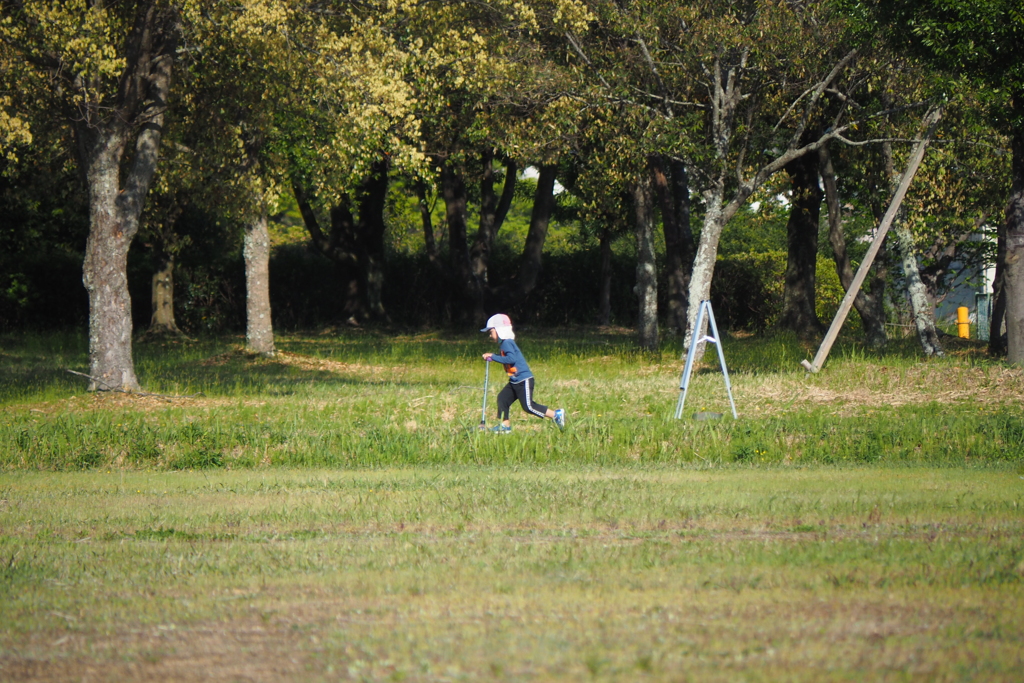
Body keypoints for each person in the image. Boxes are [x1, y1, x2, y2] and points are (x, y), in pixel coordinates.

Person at [480, 313, 566, 433]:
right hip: (515, 380)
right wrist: (494, 356)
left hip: (523, 380)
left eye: (491, 332)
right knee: (503, 398)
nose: (490, 335)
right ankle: (505, 426)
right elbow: (507, 358)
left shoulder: (507, 343)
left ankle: (556, 415)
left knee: (528, 406)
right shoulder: (504, 344)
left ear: (499, 330)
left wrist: (493, 357)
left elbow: (511, 359)